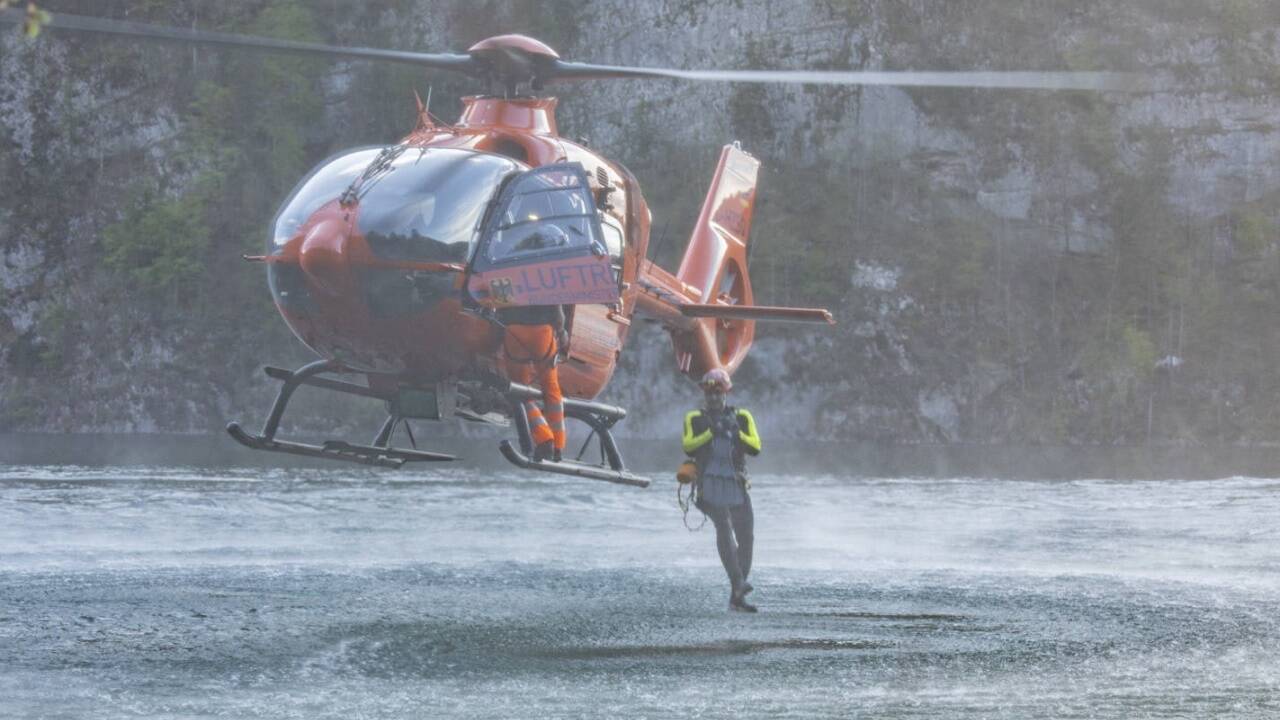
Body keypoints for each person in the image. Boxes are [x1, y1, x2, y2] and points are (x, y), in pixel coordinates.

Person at [682, 367, 762, 612]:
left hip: (736, 484)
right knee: (724, 526)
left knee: (746, 535)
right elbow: (688, 446)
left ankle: (737, 597)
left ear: (726, 392)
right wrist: (711, 432)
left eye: (718, 393)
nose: (714, 398)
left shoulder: (742, 416)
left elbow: (756, 447)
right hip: (708, 486)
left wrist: (737, 432)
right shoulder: (694, 418)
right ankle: (738, 582)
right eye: (709, 393)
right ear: (704, 394)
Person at [500, 304, 568, 462]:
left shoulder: (509, 278)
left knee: (520, 391)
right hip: (542, 332)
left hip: (514, 331)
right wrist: (561, 331)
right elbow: (557, 310)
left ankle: (544, 438)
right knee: (551, 388)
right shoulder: (546, 279)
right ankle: (557, 447)